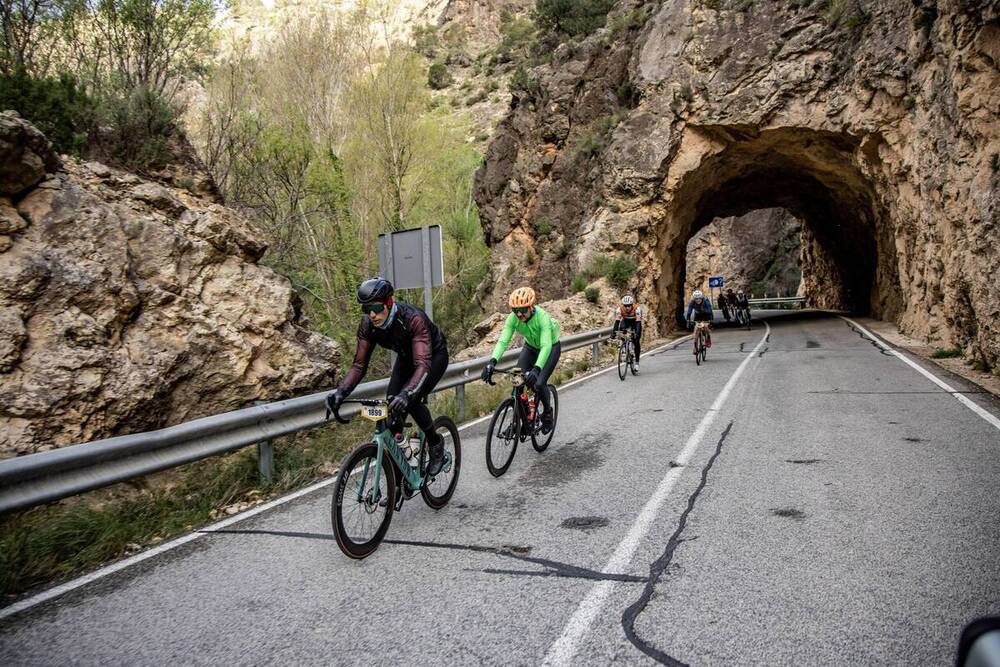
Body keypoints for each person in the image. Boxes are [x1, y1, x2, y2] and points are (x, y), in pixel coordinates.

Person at [325, 277, 449, 476]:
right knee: (391, 412)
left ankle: (435, 444)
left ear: (389, 303)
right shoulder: (368, 325)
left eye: (376, 308)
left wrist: (407, 393)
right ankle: (403, 471)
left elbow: (422, 365)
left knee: (411, 400)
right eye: (367, 309)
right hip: (406, 358)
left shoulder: (413, 319)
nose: (372, 314)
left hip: (433, 357)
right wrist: (341, 392)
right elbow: (359, 366)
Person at [480, 287, 561, 434]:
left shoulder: (542, 317)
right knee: (517, 382)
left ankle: (548, 413)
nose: (519, 314)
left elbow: (546, 345)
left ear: (531, 307)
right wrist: (492, 362)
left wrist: (536, 369)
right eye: (515, 310)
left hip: (550, 348)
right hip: (530, 348)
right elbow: (503, 341)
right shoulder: (513, 319)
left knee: (539, 383)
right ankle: (518, 422)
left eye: (523, 310)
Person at [612, 294, 643, 373]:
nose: (627, 307)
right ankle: (624, 348)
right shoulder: (619, 309)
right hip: (626, 321)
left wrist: (637, 334)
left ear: (632, 304)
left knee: (636, 341)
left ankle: (637, 363)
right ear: (623, 305)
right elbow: (617, 322)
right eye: (625, 306)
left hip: (635, 322)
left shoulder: (637, 309)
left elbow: (638, 323)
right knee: (621, 330)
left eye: (629, 305)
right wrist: (613, 333)